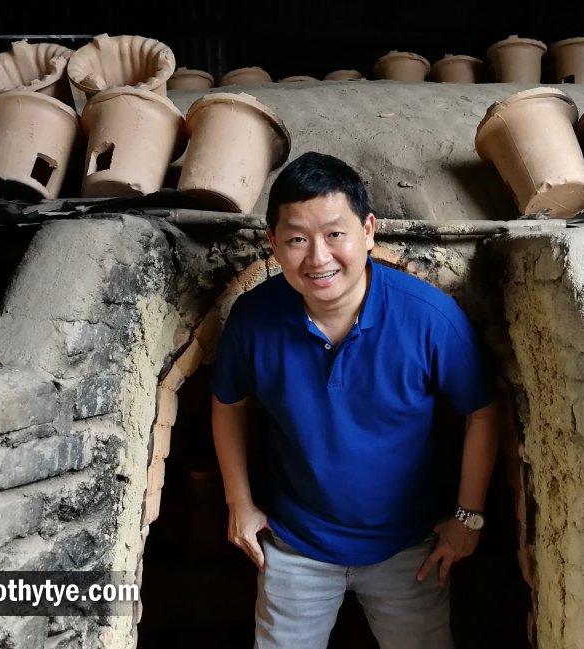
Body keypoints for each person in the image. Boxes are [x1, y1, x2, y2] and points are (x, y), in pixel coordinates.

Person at [210, 151, 501, 648]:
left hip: (408, 548)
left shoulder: (428, 317)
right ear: (273, 244)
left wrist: (466, 517)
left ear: (368, 231)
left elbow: (482, 410)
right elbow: (228, 403)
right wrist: (239, 502)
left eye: (335, 234)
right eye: (298, 239)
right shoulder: (253, 319)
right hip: (296, 547)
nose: (318, 258)